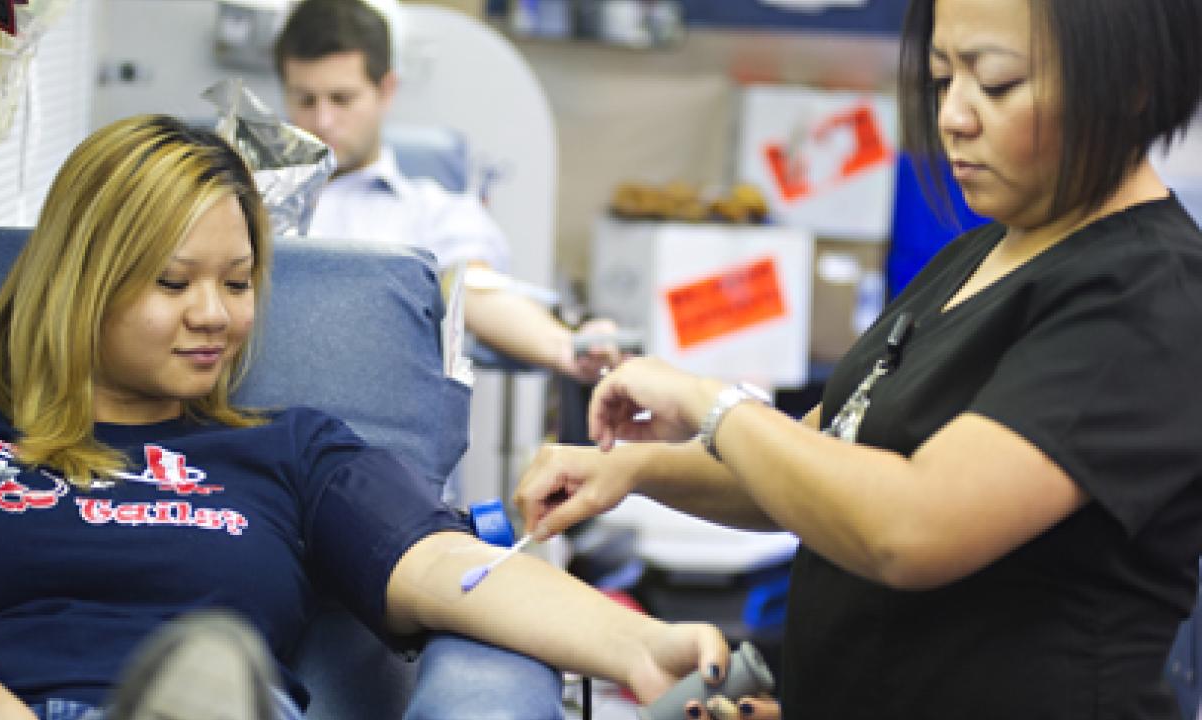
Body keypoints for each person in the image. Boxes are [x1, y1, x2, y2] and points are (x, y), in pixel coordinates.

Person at [515, 0, 1202, 718]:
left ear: (1133, 85)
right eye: (943, 79)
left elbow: (911, 526)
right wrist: (629, 468)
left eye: (996, 83)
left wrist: (712, 404)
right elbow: (815, 458)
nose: (954, 117)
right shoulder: (986, 251)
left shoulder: (1147, 296)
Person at [0, 114, 733, 720]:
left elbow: (455, 569)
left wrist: (642, 646)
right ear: (81, 282)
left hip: (229, 707)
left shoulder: (292, 452)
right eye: (173, 283)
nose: (215, 315)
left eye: (237, 284)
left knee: (214, 675)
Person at [272, 0, 623, 384]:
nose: (322, 121)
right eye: (304, 100)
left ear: (386, 90)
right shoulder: (245, 198)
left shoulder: (431, 213)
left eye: (342, 99)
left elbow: (475, 292)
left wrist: (567, 346)